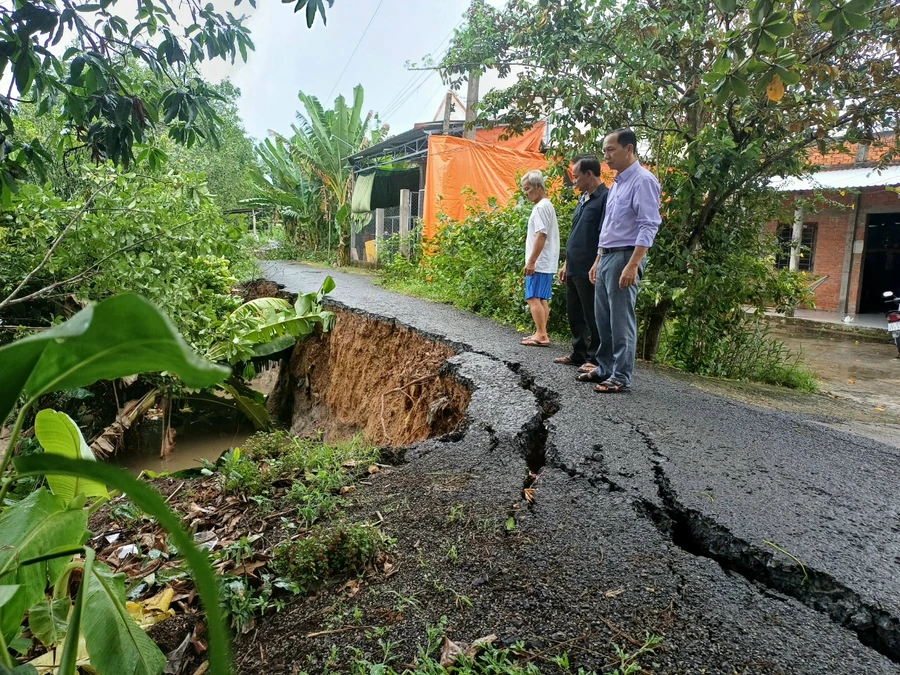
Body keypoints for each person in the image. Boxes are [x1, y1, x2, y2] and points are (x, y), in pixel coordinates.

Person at [576, 129, 661, 392]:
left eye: (611, 150)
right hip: (607, 257)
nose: (606, 156)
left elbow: (649, 225)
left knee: (621, 319)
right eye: (604, 151)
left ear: (630, 149)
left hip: (626, 256)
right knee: (603, 318)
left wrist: (633, 264)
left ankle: (621, 376)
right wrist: (597, 259)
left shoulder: (643, 181)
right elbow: (609, 227)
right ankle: (604, 368)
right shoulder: (617, 185)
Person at [553, 154, 609, 371]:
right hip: (574, 265)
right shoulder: (583, 198)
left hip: (590, 266)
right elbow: (576, 232)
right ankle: (579, 353)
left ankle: (595, 358)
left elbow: (605, 234)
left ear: (589, 174)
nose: (574, 180)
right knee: (575, 312)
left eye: (576, 176)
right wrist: (567, 263)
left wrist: (597, 261)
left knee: (592, 313)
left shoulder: (605, 198)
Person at [520, 170, 560, 347]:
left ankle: (541, 334)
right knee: (542, 298)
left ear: (538, 186)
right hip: (546, 261)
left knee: (533, 297)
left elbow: (541, 235)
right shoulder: (547, 205)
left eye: (528, 188)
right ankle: (541, 332)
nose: (526, 192)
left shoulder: (541, 207)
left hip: (539, 262)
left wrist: (531, 261)